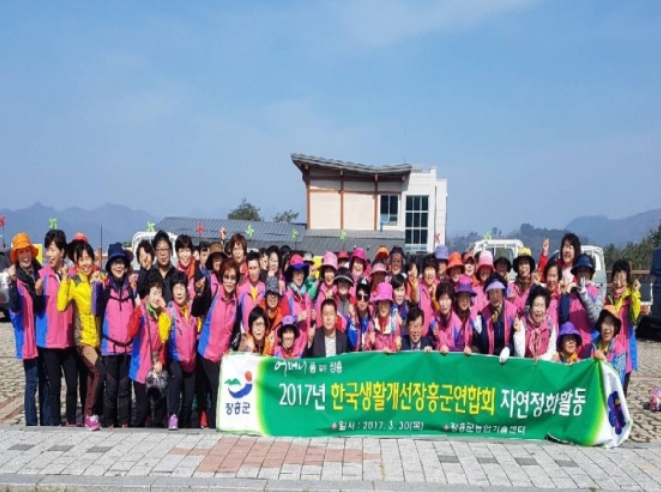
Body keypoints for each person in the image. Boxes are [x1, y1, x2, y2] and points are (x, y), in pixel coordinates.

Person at [58, 241, 106, 431]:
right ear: (76, 262)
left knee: (91, 377)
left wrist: (100, 284)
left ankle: (93, 414)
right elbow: (61, 306)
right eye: (81, 259)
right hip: (83, 341)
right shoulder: (74, 282)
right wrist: (64, 281)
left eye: (88, 258)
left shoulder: (99, 278)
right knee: (99, 371)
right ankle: (88, 414)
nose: (85, 263)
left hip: (98, 340)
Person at [192, 259, 242, 429]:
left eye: (233, 278)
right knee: (215, 387)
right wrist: (199, 294)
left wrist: (232, 348)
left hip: (222, 356)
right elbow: (195, 310)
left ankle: (217, 423)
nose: (229, 281)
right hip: (206, 351)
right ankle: (213, 424)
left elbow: (236, 331)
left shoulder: (237, 303)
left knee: (219, 389)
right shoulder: (213, 292)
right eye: (226, 277)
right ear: (222, 278)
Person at [93, 243, 137, 428]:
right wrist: (95, 286)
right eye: (115, 262)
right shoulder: (104, 288)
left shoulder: (131, 289)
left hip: (128, 348)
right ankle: (109, 421)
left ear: (126, 266)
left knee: (125, 388)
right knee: (111, 388)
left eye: (122, 262)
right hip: (110, 348)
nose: (119, 266)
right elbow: (95, 309)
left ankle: (125, 421)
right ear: (109, 266)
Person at [36, 229, 77, 427]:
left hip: (68, 340)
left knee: (72, 384)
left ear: (62, 251)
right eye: (47, 250)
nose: (49, 254)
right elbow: (35, 307)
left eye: (53, 250)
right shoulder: (41, 276)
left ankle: (70, 420)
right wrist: (36, 293)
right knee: (54, 386)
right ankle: (54, 423)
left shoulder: (72, 275)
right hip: (49, 341)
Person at [8, 232, 48, 426]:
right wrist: (12, 284)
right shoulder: (15, 279)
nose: (25, 255)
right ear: (16, 256)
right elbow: (14, 306)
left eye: (27, 251)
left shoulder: (40, 273)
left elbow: (40, 308)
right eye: (20, 252)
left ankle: (47, 422)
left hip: (42, 335)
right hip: (27, 337)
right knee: (32, 382)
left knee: (45, 381)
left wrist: (39, 293)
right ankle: (31, 425)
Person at [128, 271, 170, 428]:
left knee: (158, 409)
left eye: (159, 293)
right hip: (140, 370)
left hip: (155, 369)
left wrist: (161, 361)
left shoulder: (163, 315)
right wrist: (137, 311)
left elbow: (164, 342)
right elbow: (131, 332)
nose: (157, 297)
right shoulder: (141, 310)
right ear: (147, 293)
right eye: (154, 293)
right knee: (143, 409)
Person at [166, 271, 198, 430]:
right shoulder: (169, 311)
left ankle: (185, 421)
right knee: (176, 378)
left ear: (187, 289)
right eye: (175, 288)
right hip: (175, 357)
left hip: (191, 359)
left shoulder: (193, 308)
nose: (179, 291)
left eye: (181, 287)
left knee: (188, 396)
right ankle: (172, 415)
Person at [605, 260, 641, 396]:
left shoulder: (630, 300)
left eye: (622, 279)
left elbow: (634, 316)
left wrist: (636, 293)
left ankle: (621, 417)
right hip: (609, 352)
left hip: (625, 353)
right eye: (616, 278)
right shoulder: (608, 300)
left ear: (628, 281)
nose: (618, 283)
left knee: (621, 392)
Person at [473, 273, 523, 363]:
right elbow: (481, 345)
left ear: (503, 292)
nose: (495, 296)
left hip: (508, 360)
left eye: (497, 292)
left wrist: (508, 348)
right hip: (489, 362)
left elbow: (515, 337)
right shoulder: (482, 314)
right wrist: (478, 334)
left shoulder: (513, 312)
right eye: (492, 292)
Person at [560, 254, 602, 347]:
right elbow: (563, 318)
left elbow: (596, 321)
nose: (583, 274)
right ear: (576, 274)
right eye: (580, 271)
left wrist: (585, 296)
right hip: (573, 346)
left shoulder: (597, 292)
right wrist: (566, 293)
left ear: (591, 273)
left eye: (586, 271)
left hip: (591, 345)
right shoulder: (571, 295)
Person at [581, 307, 627, 386]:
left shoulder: (620, 351)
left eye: (611, 324)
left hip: (610, 395)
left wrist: (604, 360)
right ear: (600, 326)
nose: (607, 328)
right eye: (605, 323)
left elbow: (618, 378)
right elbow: (583, 369)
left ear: (615, 328)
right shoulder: (591, 346)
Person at [515, 285, 556, 361]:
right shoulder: (523, 323)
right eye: (536, 305)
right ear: (530, 306)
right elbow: (519, 355)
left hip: (542, 367)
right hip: (526, 367)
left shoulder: (550, 325)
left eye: (542, 306)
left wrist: (541, 358)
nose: (539, 310)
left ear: (546, 308)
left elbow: (551, 352)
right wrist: (517, 333)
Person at [283, 254, 314, 354]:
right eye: (296, 273)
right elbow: (284, 322)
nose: (299, 276)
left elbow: (312, 321)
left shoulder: (308, 296)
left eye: (301, 273)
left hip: (308, 344)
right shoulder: (287, 297)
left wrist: (314, 318)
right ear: (292, 275)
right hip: (293, 348)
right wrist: (297, 318)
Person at [368, 283, 401, 353]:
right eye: (381, 302)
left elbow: (397, 351)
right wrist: (370, 343)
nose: (383, 306)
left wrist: (394, 349)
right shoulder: (372, 323)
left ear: (390, 305)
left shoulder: (395, 323)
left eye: (386, 302)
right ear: (377, 304)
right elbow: (367, 352)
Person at [431, 282, 463, 354]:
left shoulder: (458, 324)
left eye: (447, 299)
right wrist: (435, 340)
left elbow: (460, 349)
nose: (444, 303)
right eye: (442, 299)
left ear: (452, 301)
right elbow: (428, 341)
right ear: (438, 300)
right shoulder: (432, 319)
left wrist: (449, 349)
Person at [238, 252, 265, 333]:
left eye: (255, 268)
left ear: (260, 269)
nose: (253, 272)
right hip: (245, 335)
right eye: (250, 268)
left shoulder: (265, 289)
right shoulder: (241, 290)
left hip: (261, 335)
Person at [452, 275, 479, 355]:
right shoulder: (449, 315)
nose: (464, 300)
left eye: (467, 296)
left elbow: (480, 343)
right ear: (457, 297)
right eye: (462, 296)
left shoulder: (476, 316)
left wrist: (471, 349)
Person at [347, 279, 373, 352]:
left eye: (365, 297)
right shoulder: (351, 314)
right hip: (357, 358)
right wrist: (352, 319)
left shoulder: (374, 314)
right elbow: (352, 343)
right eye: (359, 296)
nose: (362, 300)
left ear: (369, 299)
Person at [151, 231, 177, 303]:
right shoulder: (150, 274)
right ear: (155, 252)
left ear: (170, 251)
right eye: (159, 249)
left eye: (165, 249)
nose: (162, 253)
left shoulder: (176, 274)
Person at [510, 248, 536, 317]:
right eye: (521, 263)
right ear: (517, 267)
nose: (523, 266)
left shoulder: (535, 288)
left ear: (530, 266)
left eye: (526, 263)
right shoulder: (510, 287)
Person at [416, 254, 438, 337]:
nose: (429, 273)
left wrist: (435, 298)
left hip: (436, 337)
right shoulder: (418, 287)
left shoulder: (441, 289)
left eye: (432, 269)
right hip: (419, 337)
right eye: (427, 269)